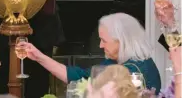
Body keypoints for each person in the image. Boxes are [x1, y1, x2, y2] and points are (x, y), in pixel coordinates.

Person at [19, 13, 162, 94]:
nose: (100, 45)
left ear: (121, 41)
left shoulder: (133, 71)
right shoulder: (117, 61)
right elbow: (78, 76)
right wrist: (38, 56)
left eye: (104, 40)